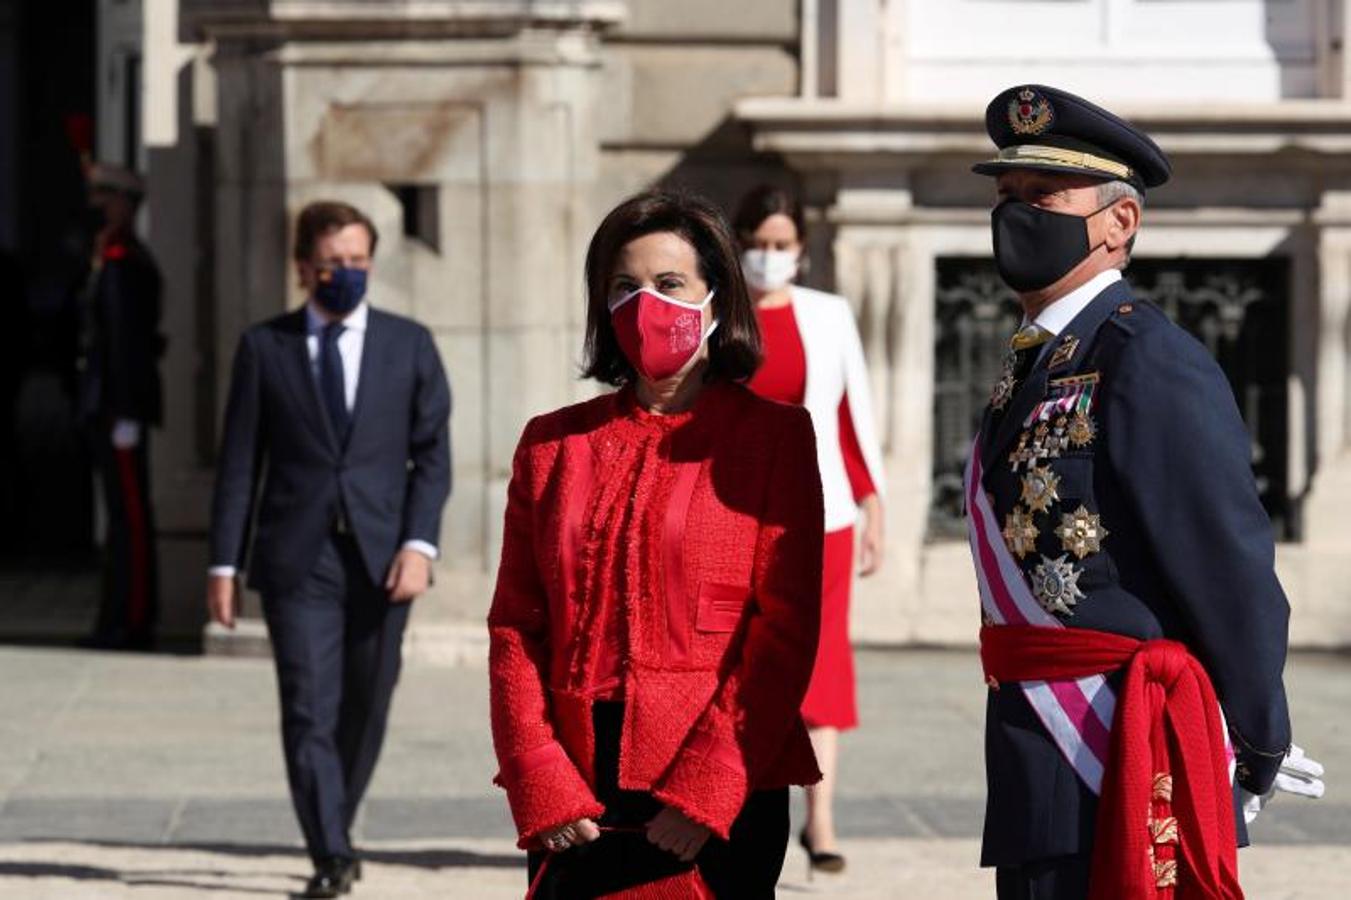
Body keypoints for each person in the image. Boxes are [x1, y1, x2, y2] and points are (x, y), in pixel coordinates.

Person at [966, 84, 1324, 899]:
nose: (1017, 216)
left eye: (1043, 198)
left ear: (1118, 223)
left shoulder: (1144, 357)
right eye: (1007, 197)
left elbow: (1224, 561)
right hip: (1037, 742)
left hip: (1124, 738)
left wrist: (1256, 736)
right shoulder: (1037, 360)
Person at [488, 189, 824, 899]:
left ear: (714, 299)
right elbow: (516, 626)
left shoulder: (773, 439)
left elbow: (783, 634)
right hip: (577, 790)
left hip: (717, 784)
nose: (645, 305)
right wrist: (540, 776)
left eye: (669, 285)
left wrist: (706, 790)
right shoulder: (553, 444)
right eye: (623, 287)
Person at [206, 200, 451, 899]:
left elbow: (432, 456)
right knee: (309, 704)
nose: (344, 274)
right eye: (331, 263)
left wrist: (419, 544)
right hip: (297, 557)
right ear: (302, 267)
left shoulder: (410, 345)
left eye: (357, 262)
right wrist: (223, 563)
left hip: (383, 558)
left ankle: (333, 819)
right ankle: (331, 848)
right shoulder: (265, 347)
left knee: (367, 703)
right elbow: (238, 465)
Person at [732, 185, 885, 875]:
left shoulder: (827, 316)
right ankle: (731, 800)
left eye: (780, 245)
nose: (768, 257)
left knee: (821, 665)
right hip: (732, 517)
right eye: (757, 244)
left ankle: (819, 818)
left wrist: (872, 501)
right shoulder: (717, 318)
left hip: (822, 519)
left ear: (801, 250)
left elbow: (851, 415)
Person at [77, 163, 165, 650]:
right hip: (108, 406)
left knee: (129, 519)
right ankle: (117, 617)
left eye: (105, 197)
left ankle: (131, 620)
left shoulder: (125, 260)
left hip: (119, 408)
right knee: (119, 518)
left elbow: (127, 343)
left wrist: (125, 411)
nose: (97, 206)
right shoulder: (110, 257)